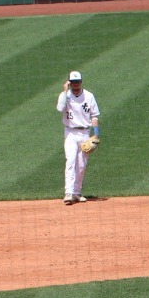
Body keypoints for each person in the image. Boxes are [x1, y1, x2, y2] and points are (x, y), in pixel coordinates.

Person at [56, 71, 100, 206]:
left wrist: (96, 135)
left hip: (85, 133)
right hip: (70, 133)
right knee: (70, 160)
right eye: (73, 82)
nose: (75, 84)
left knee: (81, 164)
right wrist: (64, 91)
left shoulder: (89, 96)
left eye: (78, 82)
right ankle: (68, 193)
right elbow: (60, 108)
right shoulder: (65, 96)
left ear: (81, 82)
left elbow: (94, 116)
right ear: (69, 82)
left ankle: (76, 192)